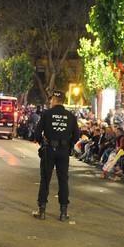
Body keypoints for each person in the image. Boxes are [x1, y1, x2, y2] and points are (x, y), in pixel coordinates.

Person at [32, 90, 79, 221]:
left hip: (49, 150)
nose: (50, 101)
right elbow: (76, 136)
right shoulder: (70, 116)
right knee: (63, 180)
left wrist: (43, 142)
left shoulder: (47, 114)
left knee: (45, 179)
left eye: (51, 99)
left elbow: (37, 133)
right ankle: (63, 212)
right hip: (63, 151)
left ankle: (42, 211)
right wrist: (67, 146)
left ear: (55, 100)